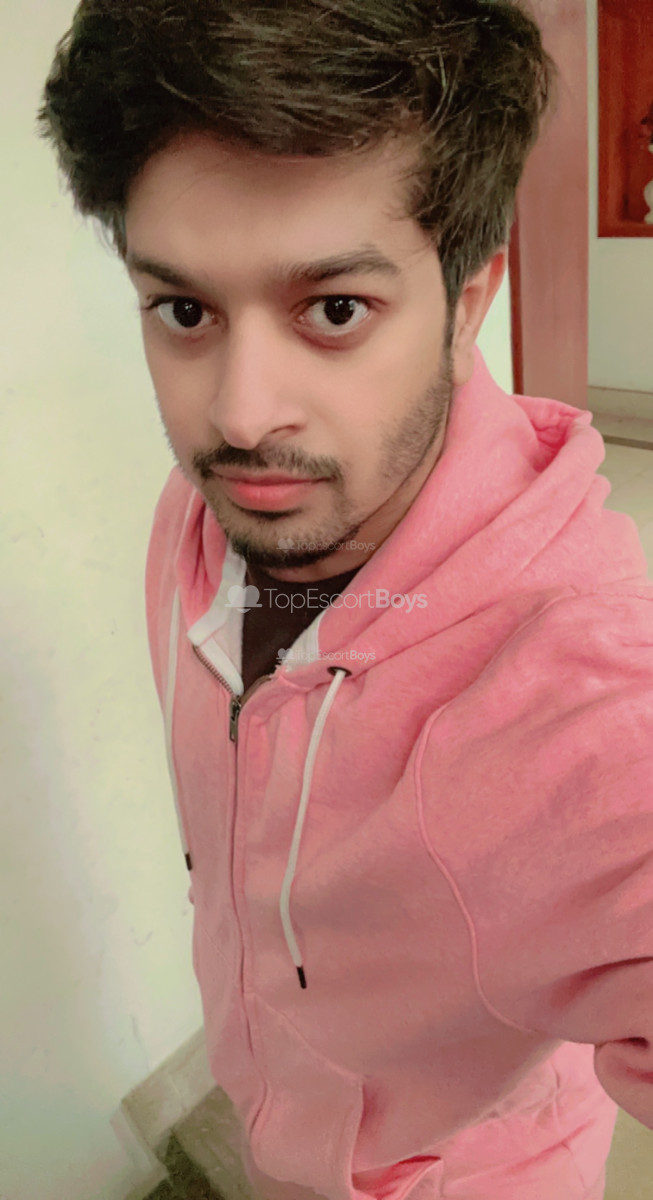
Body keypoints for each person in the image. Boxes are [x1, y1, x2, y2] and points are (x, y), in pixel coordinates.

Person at [37, 2, 653, 1197]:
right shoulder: (205, 519)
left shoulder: (573, 700)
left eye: (332, 310)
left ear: (467, 301)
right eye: (184, 310)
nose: (238, 415)